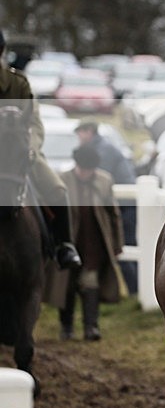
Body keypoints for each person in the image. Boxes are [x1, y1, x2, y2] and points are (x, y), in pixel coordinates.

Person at [0, 28, 81, 269]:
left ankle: (64, 246)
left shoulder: (18, 83)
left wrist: (30, 150)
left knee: (57, 189)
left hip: (18, 154)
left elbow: (34, 123)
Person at [46, 144, 126, 341]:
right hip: (68, 241)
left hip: (93, 242)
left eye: (89, 169)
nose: (86, 173)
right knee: (67, 286)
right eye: (83, 169)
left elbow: (113, 213)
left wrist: (117, 243)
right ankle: (67, 327)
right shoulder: (62, 180)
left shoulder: (104, 181)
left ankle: (91, 326)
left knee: (90, 284)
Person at [75, 119, 139, 293]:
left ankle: (135, 290)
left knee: (124, 246)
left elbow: (97, 178)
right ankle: (134, 290)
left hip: (124, 207)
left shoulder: (101, 151)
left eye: (79, 132)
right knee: (125, 247)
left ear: (89, 131)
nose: (78, 137)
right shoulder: (103, 147)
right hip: (125, 205)